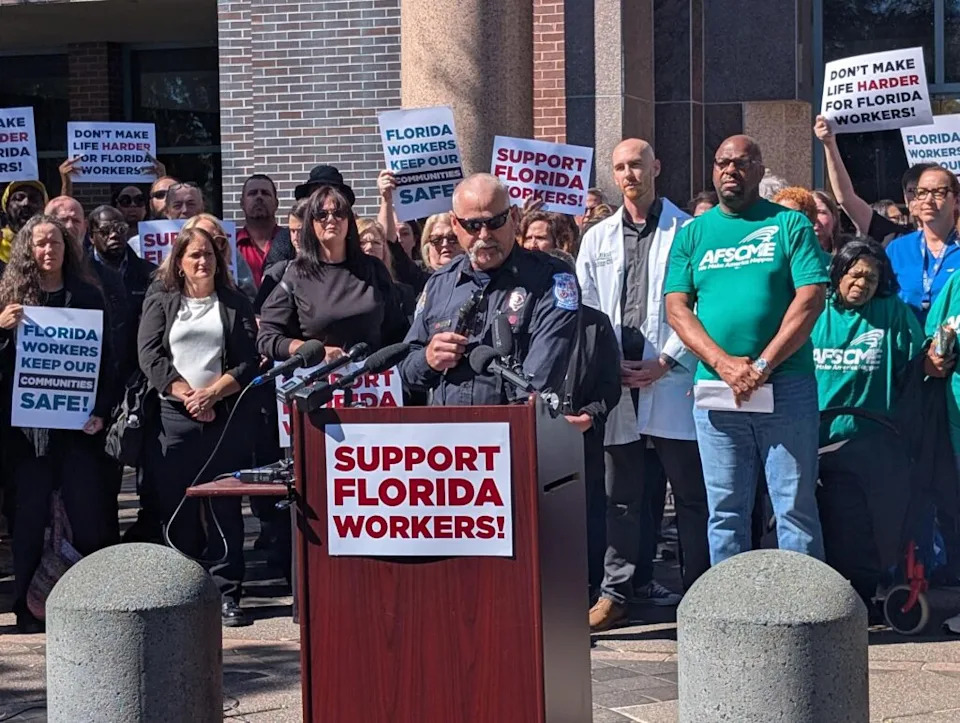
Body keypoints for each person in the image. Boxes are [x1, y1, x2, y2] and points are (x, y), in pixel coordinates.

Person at [664, 134, 829, 565]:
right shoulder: (693, 234)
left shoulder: (789, 225)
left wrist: (763, 364)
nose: (730, 171)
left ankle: (803, 604)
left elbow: (810, 299)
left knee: (793, 508)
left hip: (786, 385)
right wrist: (723, 365)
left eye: (740, 162)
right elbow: (677, 309)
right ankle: (729, 605)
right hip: (718, 391)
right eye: (722, 163)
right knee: (725, 513)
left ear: (758, 169)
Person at [576, 138, 708, 631]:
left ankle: (701, 593)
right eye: (620, 167)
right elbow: (587, 310)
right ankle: (616, 593)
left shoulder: (689, 231)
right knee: (621, 497)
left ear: (656, 167)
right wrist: (608, 364)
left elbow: (700, 303)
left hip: (673, 378)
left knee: (691, 496)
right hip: (619, 382)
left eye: (636, 164)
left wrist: (667, 360)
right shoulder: (597, 238)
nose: (628, 174)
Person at [138, 226, 260, 627]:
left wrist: (213, 394)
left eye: (208, 254)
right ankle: (183, 593)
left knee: (225, 509)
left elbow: (247, 361)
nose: (203, 261)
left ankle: (228, 593)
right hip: (174, 418)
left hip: (224, 418)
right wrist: (188, 395)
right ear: (180, 263)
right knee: (178, 508)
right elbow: (149, 355)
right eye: (194, 255)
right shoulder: (161, 300)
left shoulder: (234, 302)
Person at [0, 215, 116, 632]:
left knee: (85, 517)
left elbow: (107, 363)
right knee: (29, 519)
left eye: (56, 243)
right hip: (25, 436)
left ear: (68, 248)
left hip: (77, 431)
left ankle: (85, 607)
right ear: (27, 250)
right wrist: (1, 330)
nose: (48, 250)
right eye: (40, 243)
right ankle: (26, 608)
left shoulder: (87, 296)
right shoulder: (11, 298)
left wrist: (101, 411)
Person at [812, 239, 925, 611]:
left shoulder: (892, 312)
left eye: (871, 279)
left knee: (862, 527)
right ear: (838, 273)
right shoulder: (816, 308)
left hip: (873, 439)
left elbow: (917, 365)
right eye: (855, 275)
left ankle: (861, 594)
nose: (861, 284)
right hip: (817, 439)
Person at [399, 173, 579, 405]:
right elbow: (406, 370)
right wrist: (428, 360)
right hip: (448, 426)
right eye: (472, 225)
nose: (484, 235)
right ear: (455, 224)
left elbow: (538, 383)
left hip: (515, 424)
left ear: (513, 217)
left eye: (495, 222)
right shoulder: (441, 282)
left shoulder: (551, 279)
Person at [257, 184, 409, 364]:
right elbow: (267, 336)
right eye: (321, 214)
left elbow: (397, 332)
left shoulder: (374, 269)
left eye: (339, 213)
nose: (331, 219)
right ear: (311, 224)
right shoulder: (296, 274)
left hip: (372, 378)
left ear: (349, 221)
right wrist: (306, 349)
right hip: (317, 377)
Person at [547, 247, 621, 602]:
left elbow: (610, 383)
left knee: (587, 514)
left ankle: (586, 592)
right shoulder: (522, 323)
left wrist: (590, 415)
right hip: (535, 434)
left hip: (582, 437)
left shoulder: (596, 323)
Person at [815, 114, 933, 245]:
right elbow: (845, 197)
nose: (923, 198)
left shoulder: (951, 241)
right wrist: (830, 144)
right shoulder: (893, 237)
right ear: (905, 198)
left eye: (932, 191)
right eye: (913, 191)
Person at [884, 166, 960, 323]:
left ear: (956, 200)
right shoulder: (897, 249)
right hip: (907, 336)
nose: (928, 200)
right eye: (922, 192)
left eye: (939, 192)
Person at [376, 169, 431, 292]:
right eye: (395, 232)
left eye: (404, 233)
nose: (399, 239)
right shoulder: (377, 272)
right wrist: (386, 199)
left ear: (415, 239)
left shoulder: (424, 272)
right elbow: (387, 238)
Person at [236, 174, 295, 288]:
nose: (259, 197)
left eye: (265, 193)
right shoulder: (230, 245)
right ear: (242, 203)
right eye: (252, 193)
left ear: (276, 203)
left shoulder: (293, 240)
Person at [255, 198, 306, 315]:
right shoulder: (279, 270)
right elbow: (259, 311)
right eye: (292, 231)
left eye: (301, 231)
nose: (295, 237)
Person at [357, 218, 416, 318]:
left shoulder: (403, 293)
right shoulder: (342, 292)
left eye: (376, 242)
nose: (369, 247)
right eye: (362, 242)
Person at [1, 180, 48, 264]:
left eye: (34, 199)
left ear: (44, 208)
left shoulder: (52, 244)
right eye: (19, 198)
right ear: (6, 207)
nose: (26, 203)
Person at [813, 190, 843, 255]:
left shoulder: (847, 250)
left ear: (834, 218)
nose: (815, 218)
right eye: (808, 212)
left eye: (821, 212)